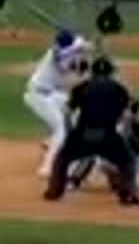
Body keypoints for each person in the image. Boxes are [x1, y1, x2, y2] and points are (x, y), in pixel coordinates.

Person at [44, 56, 139, 206]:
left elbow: (67, 112)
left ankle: (53, 192)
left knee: (62, 158)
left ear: (92, 72)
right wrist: (124, 136)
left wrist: (71, 133)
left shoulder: (81, 87)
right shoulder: (119, 89)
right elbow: (129, 115)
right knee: (127, 161)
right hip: (107, 136)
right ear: (110, 73)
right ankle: (127, 194)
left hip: (83, 134)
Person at [68, 96, 139, 194]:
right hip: (123, 164)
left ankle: (73, 182)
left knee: (91, 151)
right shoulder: (136, 125)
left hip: (112, 164)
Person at [23, 29, 92, 179]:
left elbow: (80, 69)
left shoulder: (68, 53)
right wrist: (79, 46)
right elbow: (62, 56)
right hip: (38, 95)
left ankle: (51, 142)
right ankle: (47, 168)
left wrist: (83, 51)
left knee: (76, 109)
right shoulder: (54, 53)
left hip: (52, 95)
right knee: (61, 129)